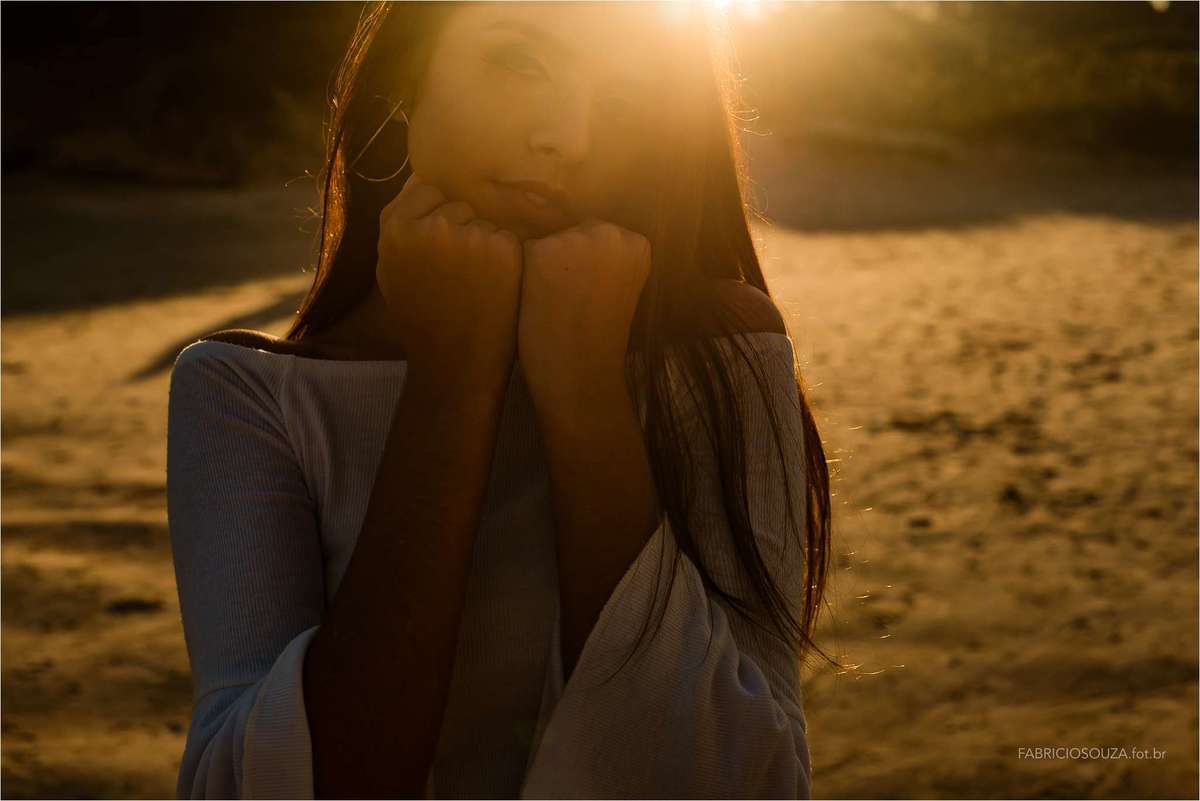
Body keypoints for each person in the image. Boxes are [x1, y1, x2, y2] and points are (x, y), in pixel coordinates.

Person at [167, 2, 838, 798]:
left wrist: (585, 386)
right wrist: (452, 378)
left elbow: (738, 777)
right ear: (407, 76)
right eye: (519, 63)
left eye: (624, 100)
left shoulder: (720, 356)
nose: (572, 138)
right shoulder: (246, 396)